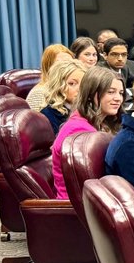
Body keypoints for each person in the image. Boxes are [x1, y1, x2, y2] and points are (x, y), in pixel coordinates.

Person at [51, 66, 124, 200]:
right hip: (76, 209)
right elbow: (87, 183)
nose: (118, 98)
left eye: (120, 93)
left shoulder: (96, 122)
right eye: (111, 92)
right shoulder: (79, 131)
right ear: (91, 94)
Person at [40, 59, 85, 136]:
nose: (80, 89)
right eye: (72, 83)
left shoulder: (90, 109)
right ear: (58, 86)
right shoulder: (47, 115)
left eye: (84, 83)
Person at [24, 43, 72, 112]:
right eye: (60, 64)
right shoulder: (38, 94)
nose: (67, 67)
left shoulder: (71, 90)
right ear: (48, 67)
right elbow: (33, 121)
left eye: (70, 63)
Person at [100, 37, 134, 111]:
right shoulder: (99, 71)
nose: (120, 59)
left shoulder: (126, 68)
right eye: (115, 54)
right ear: (105, 55)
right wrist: (128, 92)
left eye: (124, 55)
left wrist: (126, 92)